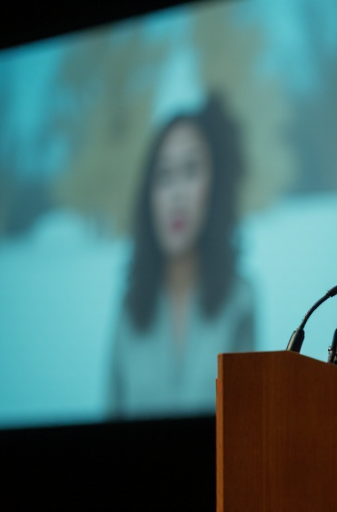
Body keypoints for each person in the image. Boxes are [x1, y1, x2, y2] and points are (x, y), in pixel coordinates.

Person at [109, 94, 255, 420]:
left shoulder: (241, 299)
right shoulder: (128, 308)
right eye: (164, 175)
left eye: (191, 170)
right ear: (149, 194)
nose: (176, 193)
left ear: (213, 186)